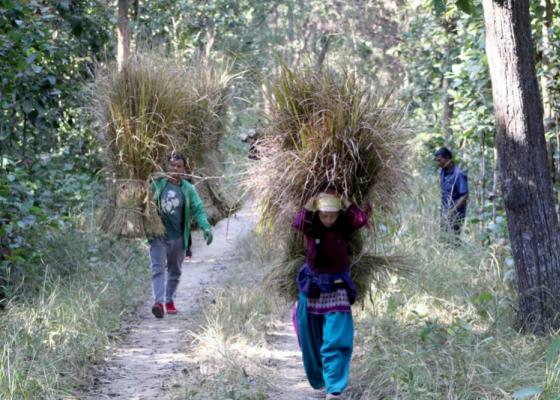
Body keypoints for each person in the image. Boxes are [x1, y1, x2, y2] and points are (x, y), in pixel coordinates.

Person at [292, 192, 369, 400]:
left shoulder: (343, 226)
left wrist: (348, 202)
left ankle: (334, 388)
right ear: (318, 213)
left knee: (336, 339)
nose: (328, 219)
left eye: (332, 215)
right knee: (313, 339)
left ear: (338, 214)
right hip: (313, 286)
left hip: (338, 286)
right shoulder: (311, 225)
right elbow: (298, 223)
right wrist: (309, 204)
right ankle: (323, 380)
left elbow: (361, 220)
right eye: (324, 215)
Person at [148, 153, 213, 318]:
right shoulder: (157, 185)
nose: (175, 169)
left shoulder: (188, 189)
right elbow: (144, 201)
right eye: (172, 166)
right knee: (157, 269)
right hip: (158, 236)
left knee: (175, 270)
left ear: (184, 170)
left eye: (178, 166)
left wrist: (206, 227)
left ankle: (169, 300)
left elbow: (198, 209)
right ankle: (158, 302)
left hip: (178, 237)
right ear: (167, 167)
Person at [434, 147, 469, 238]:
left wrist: (452, 211)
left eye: (440, 160)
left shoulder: (459, 174)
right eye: (437, 161)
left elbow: (464, 195)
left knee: (453, 241)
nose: (438, 163)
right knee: (443, 239)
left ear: (448, 158)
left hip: (456, 214)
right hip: (445, 212)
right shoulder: (442, 171)